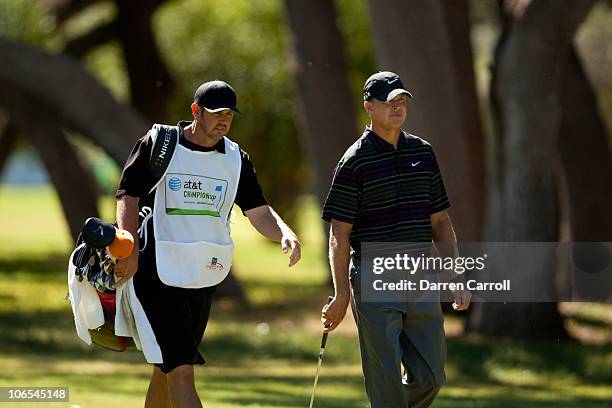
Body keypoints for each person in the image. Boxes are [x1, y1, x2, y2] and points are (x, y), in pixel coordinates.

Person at [114, 80, 301, 407]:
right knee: (182, 371)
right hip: (158, 270)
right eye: (216, 113)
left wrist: (284, 232)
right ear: (195, 111)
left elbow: (258, 211)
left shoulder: (235, 158)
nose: (223, 121)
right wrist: (127, 247)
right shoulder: (159, 143)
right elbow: (127, 194)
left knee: (166, 367)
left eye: (229, 114)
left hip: (203, 274)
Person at [320, 71, 471, 407]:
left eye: (402, 101)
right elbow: (338, 235)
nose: (397, 107)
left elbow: (441, 221)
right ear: (369, 107)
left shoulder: (423, 152)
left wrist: (456, 273)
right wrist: (341, 293)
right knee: (385, 382)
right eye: (389, 102)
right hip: (375, 273)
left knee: (432, 377)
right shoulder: (353, 162)